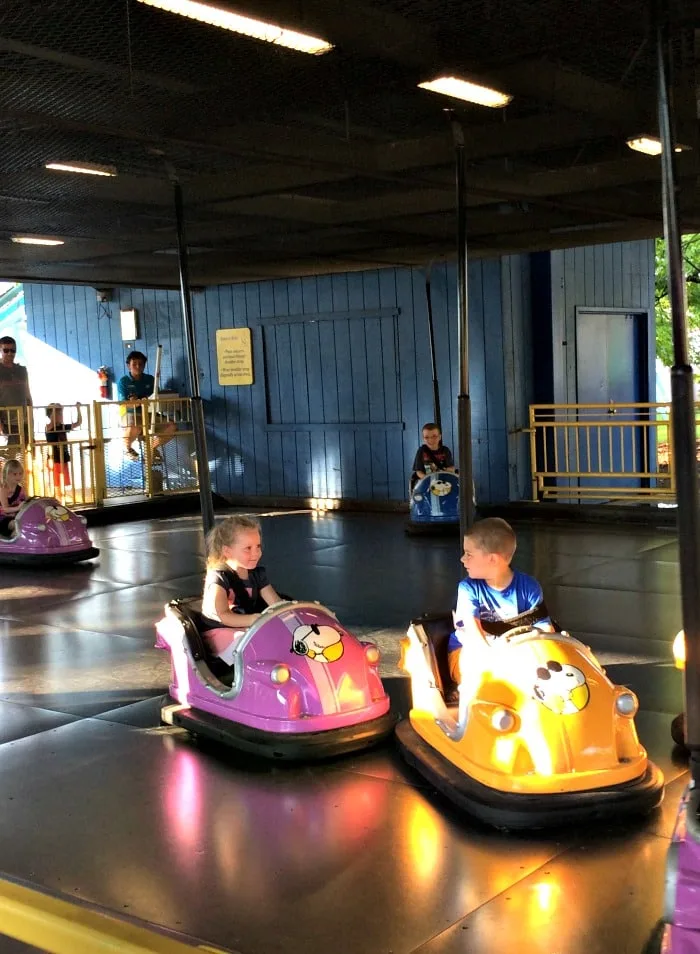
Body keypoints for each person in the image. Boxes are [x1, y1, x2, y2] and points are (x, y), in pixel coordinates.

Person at [447, 517, 554, 688]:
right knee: (483, 673)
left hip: (514, 651)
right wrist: (494, 660)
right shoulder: (468, 588)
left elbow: (545, 630)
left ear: (493, 559)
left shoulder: (529, 587)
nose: (462, 559)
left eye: (469, 554)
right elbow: (474, 634)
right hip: (471, 650)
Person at [200, 514, 282, 665]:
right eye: (248, 548)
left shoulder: (257, 574)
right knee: (252, 645)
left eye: (258, 546)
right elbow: (223, 615)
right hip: (221, 631)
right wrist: (252, 620)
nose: (256, 553)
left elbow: (276, 603)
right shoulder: (219, 578)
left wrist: (291, 611)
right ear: (227, 551)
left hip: (247, 627)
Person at [116, 351, 175, 462]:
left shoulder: (150, 379)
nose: (138, 366)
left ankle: (151, 448)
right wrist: (137, 402)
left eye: (141, 364)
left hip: (148, 413)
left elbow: (155, 396)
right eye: (134, 364)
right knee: (135, 425)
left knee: (171, 427)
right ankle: (127, 448)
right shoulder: (123, 382)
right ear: (128, 365)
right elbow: (124, 403)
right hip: (130, 413)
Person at [0, 336, 33, 450]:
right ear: (1, 351)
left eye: (12, 350)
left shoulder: (22, 370)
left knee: (25, 455)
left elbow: (28, 396)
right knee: (10, 457)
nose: (10, 353)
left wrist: (30, 420)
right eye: (6, 350)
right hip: (7, 423)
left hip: (24, 422)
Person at [45, 402, 82, 499]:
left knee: (62, 482)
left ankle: (61, 500)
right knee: (55, 482)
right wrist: (55, 408)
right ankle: (57, 500)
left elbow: (78, 423)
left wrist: (78, 408)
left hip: (63, 457)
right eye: (58, 413)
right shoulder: (49, 426)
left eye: (61, 413)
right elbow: (52, 420)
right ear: (51, 415)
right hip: (53, 458)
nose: (61, 415)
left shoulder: (63, 426)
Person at [0, 459, 26, 536]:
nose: (18, 476)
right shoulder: (3, 489)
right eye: (15, 474)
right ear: (7, 474)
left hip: (15, 517)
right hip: (2, 519)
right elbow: (5, 509)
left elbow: (24, 502)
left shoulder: (21, 489)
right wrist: (18, 508)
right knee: (17, 525)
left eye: (20, 473)